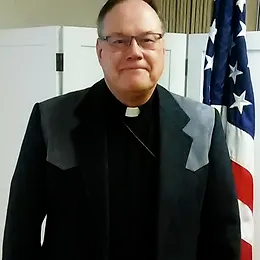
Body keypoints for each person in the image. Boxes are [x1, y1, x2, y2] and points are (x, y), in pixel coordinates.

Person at [2, 0, 241, 259]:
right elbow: (20, 232)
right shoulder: (51, 120)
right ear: (100, 51)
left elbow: (222, 236)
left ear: (163, 47)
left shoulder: (203, 125)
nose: (135, 52)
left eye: (148, 39)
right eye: (119, 40)